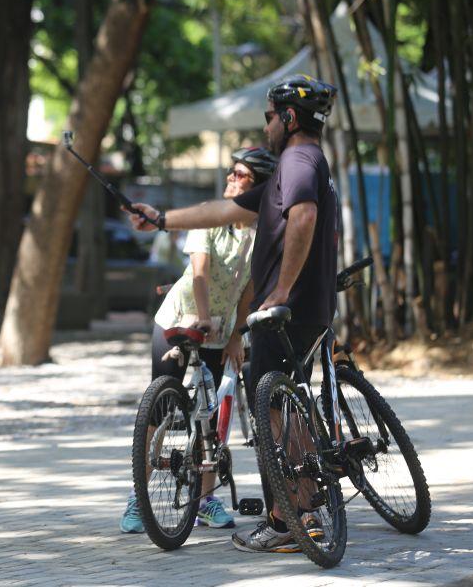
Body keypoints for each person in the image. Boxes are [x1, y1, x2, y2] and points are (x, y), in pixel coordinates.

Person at [126, 74, 339, 554]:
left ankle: (291, 518)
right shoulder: (305, 164)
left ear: (288, 118)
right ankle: (306, 510)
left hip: (286, 310)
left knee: (272, 412)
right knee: (284, 408)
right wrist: (160, 218)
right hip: (304, 309)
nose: (266, 128)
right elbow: (220, 211)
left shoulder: (297, 161)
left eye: (269, 118)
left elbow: (303, 217)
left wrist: (281, 289)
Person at [120, 146, 279, 534]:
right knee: (159, 412)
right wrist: (203, 317)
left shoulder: (262, 233)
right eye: (231, 172)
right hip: (181, 322)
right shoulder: (208, 220)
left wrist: (237, 336)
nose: (231, 179)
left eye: (240, 175)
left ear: (256, 187)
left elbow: (248, 290)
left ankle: (205, 498)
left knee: (214, 416)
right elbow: (200, 274)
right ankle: (139, 499)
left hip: (221, 333)